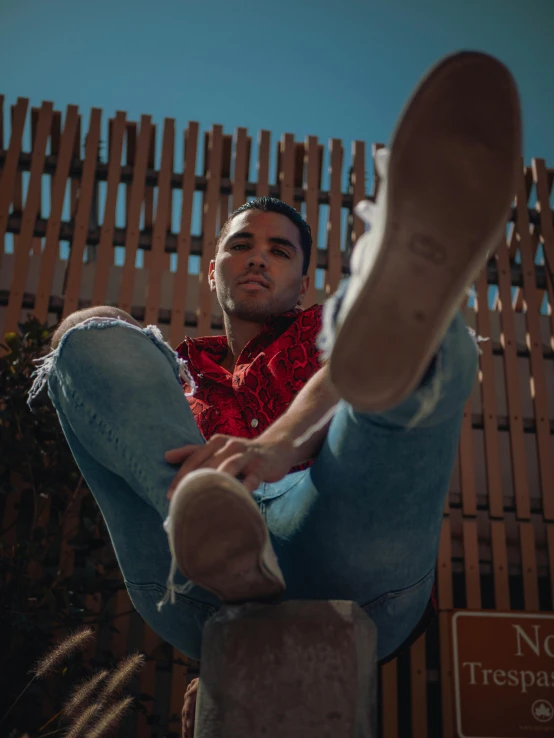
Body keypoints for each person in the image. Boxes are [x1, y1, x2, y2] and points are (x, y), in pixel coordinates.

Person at [28, 51, 520, 736]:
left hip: (343, 548)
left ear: (302, 284)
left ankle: (404, 308)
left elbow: (320, 399)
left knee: (424, 342)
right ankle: (213, 528)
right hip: (193, 574)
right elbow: (91, 345)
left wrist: (277, 445)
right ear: (212, 273)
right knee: (87, 340)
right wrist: (103, 341)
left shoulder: (319, 328)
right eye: (241, 244)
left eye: (281, 250)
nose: (259, 256)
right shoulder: (177, 370)